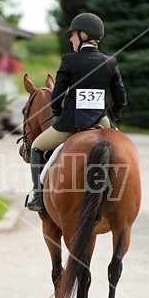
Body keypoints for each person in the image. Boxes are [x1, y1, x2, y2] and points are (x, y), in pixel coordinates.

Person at [26, 12, 127, 212]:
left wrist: (59, 112)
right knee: (122, 151)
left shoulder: (69, 60)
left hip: (71, 122)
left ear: (82, 35)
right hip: (101, 120)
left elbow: (56, 96)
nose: (71, 39)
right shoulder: (110, 62)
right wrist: (112, 116)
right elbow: (121, 99)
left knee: (37, 147)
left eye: (72, 35)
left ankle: (38, 195)